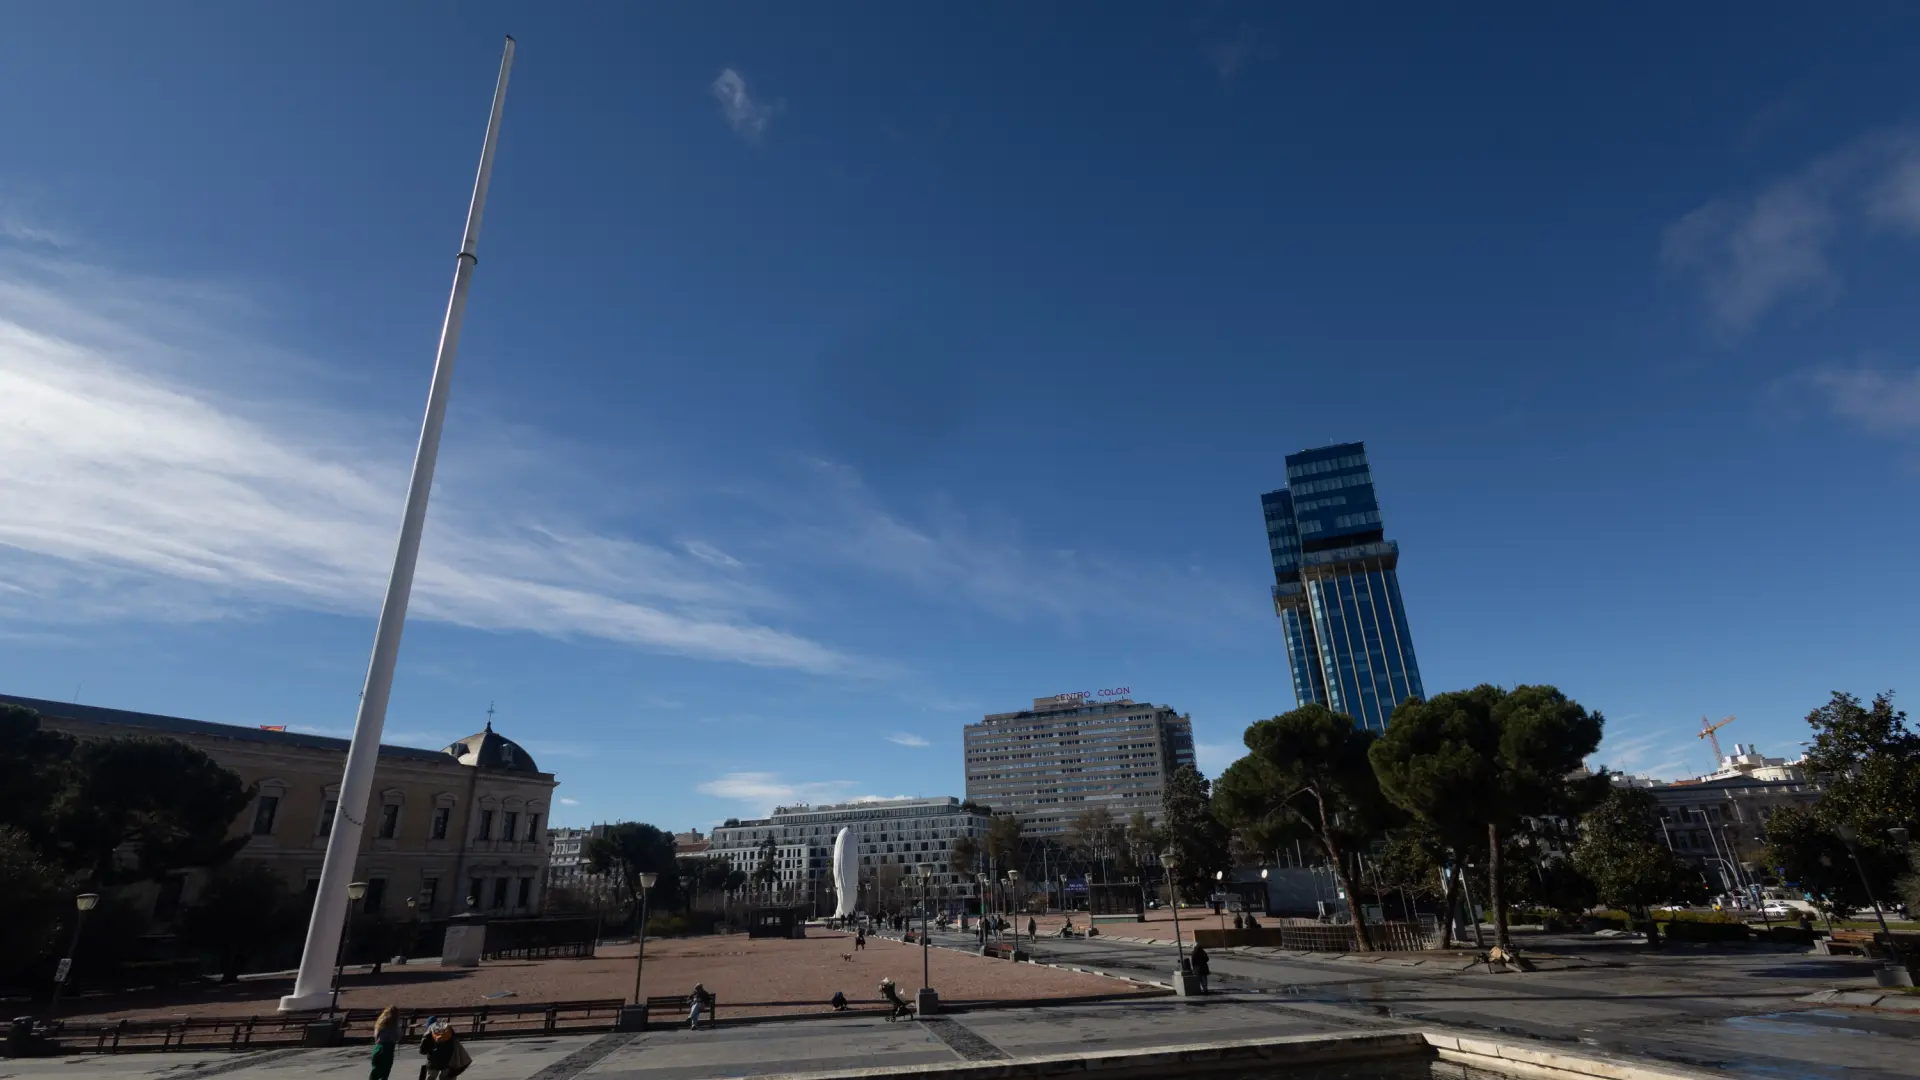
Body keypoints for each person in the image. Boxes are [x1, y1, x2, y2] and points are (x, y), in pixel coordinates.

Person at [369, 1006, 399, 1080]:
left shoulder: (380, 1023)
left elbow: (375, 1036)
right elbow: (397, 1037)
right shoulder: (394, 1025)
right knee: (385, 1072)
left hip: (378, 1047)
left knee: (375, 1071)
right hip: (388, 1049)